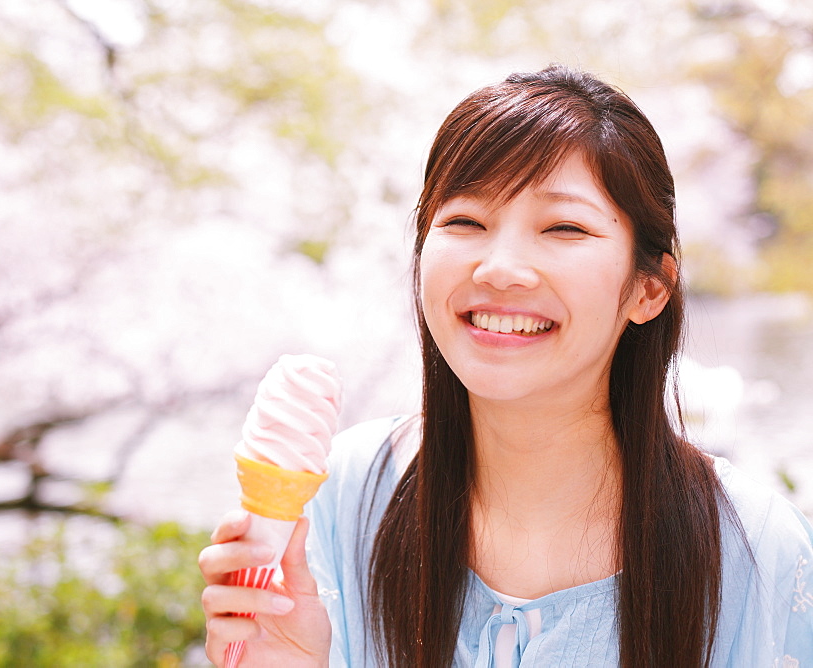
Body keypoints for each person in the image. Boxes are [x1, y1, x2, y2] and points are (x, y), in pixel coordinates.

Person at [198, 65, 813, 667]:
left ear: (649, 288)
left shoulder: (756, 552)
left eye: (564, 227)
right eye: (465, 221)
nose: (499, 268)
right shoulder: (343, 497)